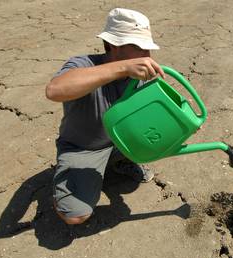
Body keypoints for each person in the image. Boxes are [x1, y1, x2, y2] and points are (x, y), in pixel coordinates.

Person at [45, 8, 165, 225]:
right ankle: (65, 179)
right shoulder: (83, 65)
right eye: (139, 47)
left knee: (151, 148)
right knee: (75, 215)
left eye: (148, 49)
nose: (147, 56)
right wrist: (122, 68)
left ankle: (118, 161)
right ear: (113, 45)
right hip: (84, 148)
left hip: (120, 139)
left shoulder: (138, 74)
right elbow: (55, 90)